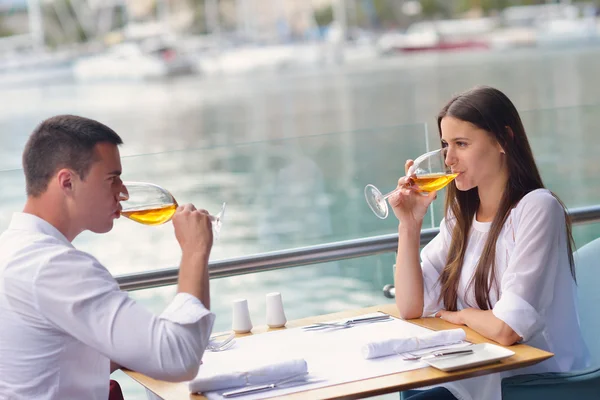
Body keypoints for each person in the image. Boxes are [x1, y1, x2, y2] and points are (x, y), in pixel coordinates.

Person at [390, 86, 589, 400]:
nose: (449, 158)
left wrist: (462, 315)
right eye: (445, 145)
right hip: (476, 372)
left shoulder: (537, 208)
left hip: (536, 383)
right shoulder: (461, 218)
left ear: (503, 139)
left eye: (462, 144)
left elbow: (508, 329)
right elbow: (411, 307)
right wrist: (409, 225)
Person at [0, 115, 215, 399]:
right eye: (112, 179)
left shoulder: (13, 249)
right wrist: (195, 250)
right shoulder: (54, 266)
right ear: (67, 182)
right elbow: (178, 358)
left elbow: (45, 358)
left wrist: (134, 346)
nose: (123, 193)